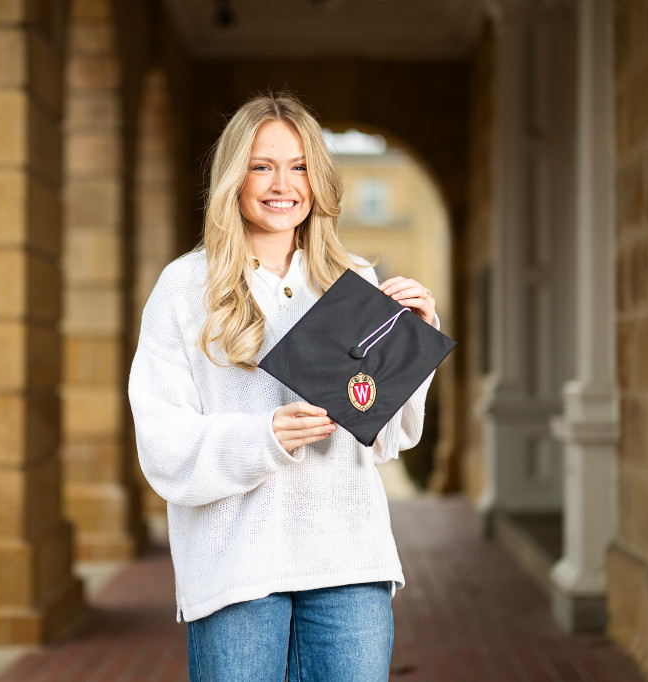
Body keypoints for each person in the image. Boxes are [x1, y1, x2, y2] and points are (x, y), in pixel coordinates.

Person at [128, 92, 439, 682]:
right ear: (233, 178)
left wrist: (414, 346)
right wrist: (262, 437)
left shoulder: (352, 281)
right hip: (238, 571)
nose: (282, 184)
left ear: (317, 179)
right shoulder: (185, 287)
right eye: (262, 165)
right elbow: (163, 444)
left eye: (299, 166)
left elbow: (387, 437)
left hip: (348, 565)